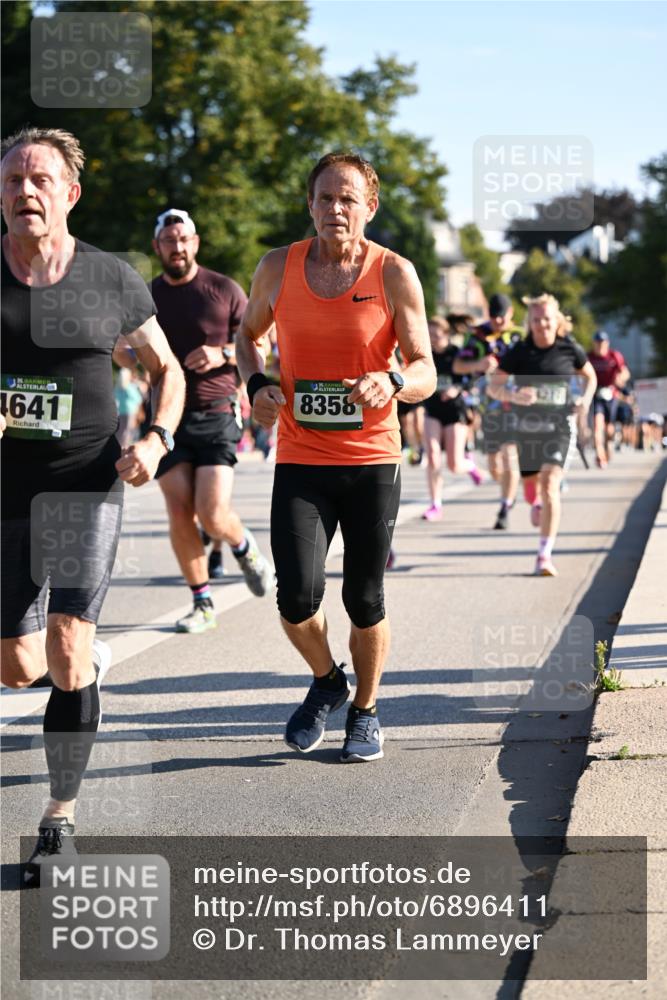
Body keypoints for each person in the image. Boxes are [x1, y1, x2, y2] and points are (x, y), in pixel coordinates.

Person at [0, 127, 185, 882]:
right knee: (16, 668)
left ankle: (60, 815)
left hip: (87, 480)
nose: (24, 192)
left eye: (38, 180)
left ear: (69, 194)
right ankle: (76, 671)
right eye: (12, 181)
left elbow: (165, 368)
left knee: (69, 644)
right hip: (9, 489)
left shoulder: (110, 277)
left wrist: (158, 438)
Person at [235, 152, 435, 761]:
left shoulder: (394, 273)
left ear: (369, 207)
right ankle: (328, 680)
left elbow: (427, 367)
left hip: (373, 458)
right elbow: (248, 338)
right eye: (324, 198)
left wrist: (395, 381)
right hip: (301, 456)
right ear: (310, 205)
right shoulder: (278, 267)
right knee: (296, 596)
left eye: (348, 199)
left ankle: (367, 711)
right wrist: (256, 385)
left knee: (364, 598)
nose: (335, 209)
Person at [114, 208, 273, 632]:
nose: (178, 247)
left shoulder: (224, 289)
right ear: (158, 247)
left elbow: (263, 344)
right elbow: (128, 350)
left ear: (196, 243)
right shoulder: (145, 297)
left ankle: (243, 547)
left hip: (218, 411)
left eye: (184, 240)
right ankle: (202, 603)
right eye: (169, 242)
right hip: (166, 419)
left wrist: (221, 354)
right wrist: (122, 353)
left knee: (212, 512)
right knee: (180, 511)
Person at [487, 293, 596, 576]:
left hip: (560, 427)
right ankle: (535, 503)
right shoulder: (520, 352)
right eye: (536, 320)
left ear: (556, 320)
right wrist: (513, 393)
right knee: (532, 488)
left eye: (547, 319)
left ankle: (544, 556)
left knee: (550, 483)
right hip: (527, 431)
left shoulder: (569, 348)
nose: (542, 325)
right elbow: (492, 387)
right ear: (529, 322)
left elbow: (590, 376)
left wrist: (585, 399)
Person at [453, 293, 524, 529]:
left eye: (502, 318)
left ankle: (505, 505)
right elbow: (458, 365)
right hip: (489, 407)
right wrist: (478, 365)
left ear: (511, 313)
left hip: (516, 405)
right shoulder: (478, 336)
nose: (498, 323)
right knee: (494, 464)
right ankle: (508, 491)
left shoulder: (521, 337)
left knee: (510, 456)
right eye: (494, 318)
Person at [421, 315, 480, 520]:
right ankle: (435, 504)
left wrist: (457, 388)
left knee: (454, 465)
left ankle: (470, 465)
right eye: (428, 335)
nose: (432, 339)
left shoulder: (456, 354)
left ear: (446, 335)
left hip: (455, 411)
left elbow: (472, 377)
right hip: (432, 410)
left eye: (436, 335)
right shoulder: (424, 355)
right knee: (433, 456)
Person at [586, 330, 630, 468]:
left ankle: (607, 445)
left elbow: (625, 372)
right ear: (594, 343)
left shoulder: (614, 356)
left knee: (609, 430)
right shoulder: (589, 357)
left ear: (607, 343)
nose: (600, 346)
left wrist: (620, 379)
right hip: (595, 395)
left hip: (611, 395)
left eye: (602, 343)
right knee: (597, 426)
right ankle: (599, 455)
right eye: (597, 343)